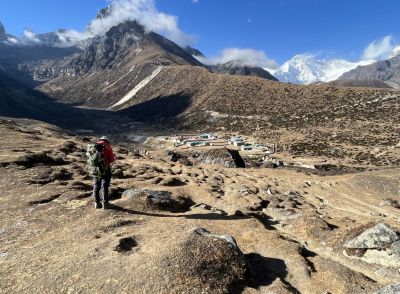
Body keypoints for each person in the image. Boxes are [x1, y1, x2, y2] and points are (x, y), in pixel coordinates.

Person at [87, 136, 116, 209]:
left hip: (95, 170)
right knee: (105, 186)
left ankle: (97, 203)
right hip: (105, 170)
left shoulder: (93, 147)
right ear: (107, 141)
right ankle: (105, 204)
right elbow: (111, 161)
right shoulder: (107, 147)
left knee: (96, 186)